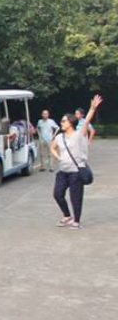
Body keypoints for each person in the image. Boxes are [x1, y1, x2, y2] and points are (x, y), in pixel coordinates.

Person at [50, 94, 103, 229]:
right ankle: (67, 215)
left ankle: (76, 221)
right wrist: (58, 156)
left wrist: (92, 108)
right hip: (63, 171)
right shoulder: (60, 137)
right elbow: (52, 147)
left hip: (76, 171)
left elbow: (86, 122)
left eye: (63, 121)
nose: (61, 123)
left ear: (71, 123)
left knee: (75, 197)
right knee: (57, 194)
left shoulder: (78, 135)